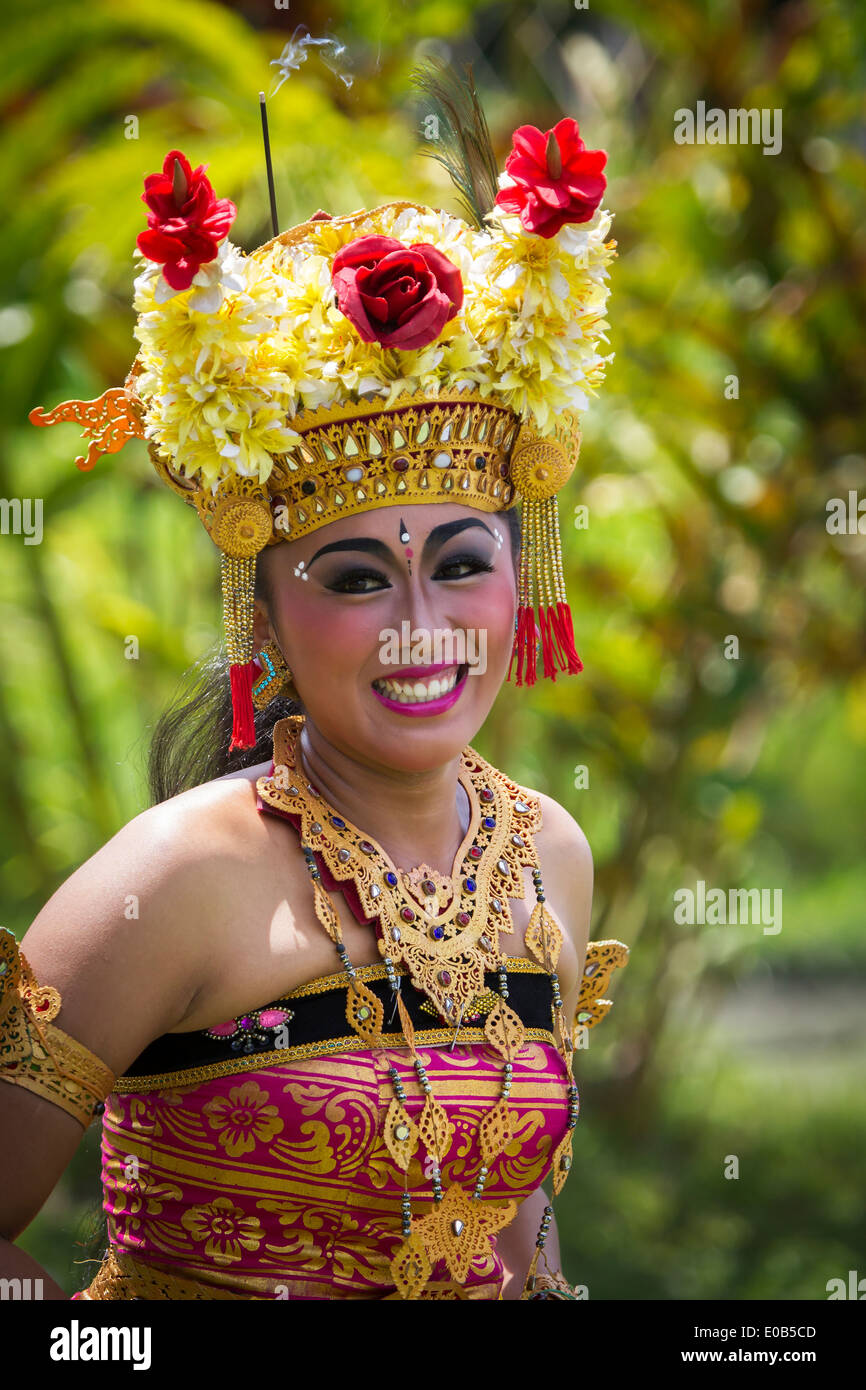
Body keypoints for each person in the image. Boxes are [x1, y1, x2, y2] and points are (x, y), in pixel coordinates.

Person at [1, 66, 627, 1300]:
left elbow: (520, 1243)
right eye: (352, 580)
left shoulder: (549, 856)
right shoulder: (176, 881)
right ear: (266, 615)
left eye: (459, 566)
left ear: (522, 575)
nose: (419, 627)